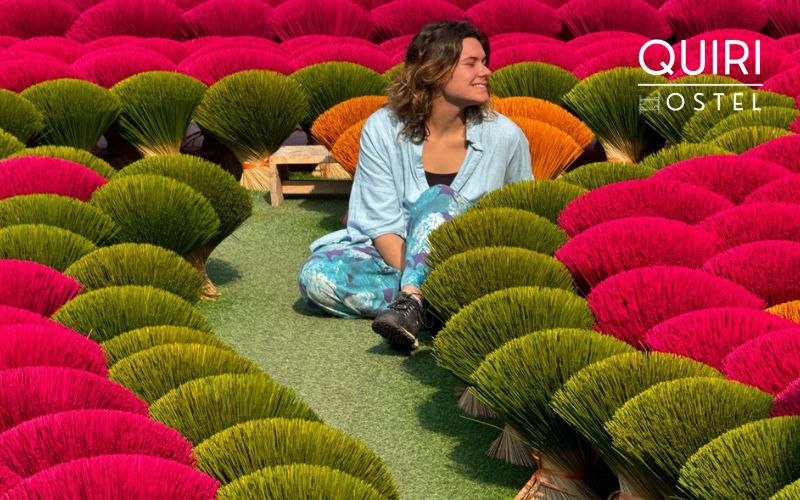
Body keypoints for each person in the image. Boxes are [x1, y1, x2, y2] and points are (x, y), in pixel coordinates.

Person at [297, 20, 532, 351]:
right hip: (397, 252)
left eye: (484, 61)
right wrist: (416, 279)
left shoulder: (505, 136)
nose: (486, 71)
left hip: (467, 264)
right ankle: (431, 307)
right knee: (317, 277)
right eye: (472, 63)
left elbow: (522, 214)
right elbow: (381, 226)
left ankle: (413, 305)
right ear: (436, 71)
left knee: (439, 199)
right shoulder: (383, 129)